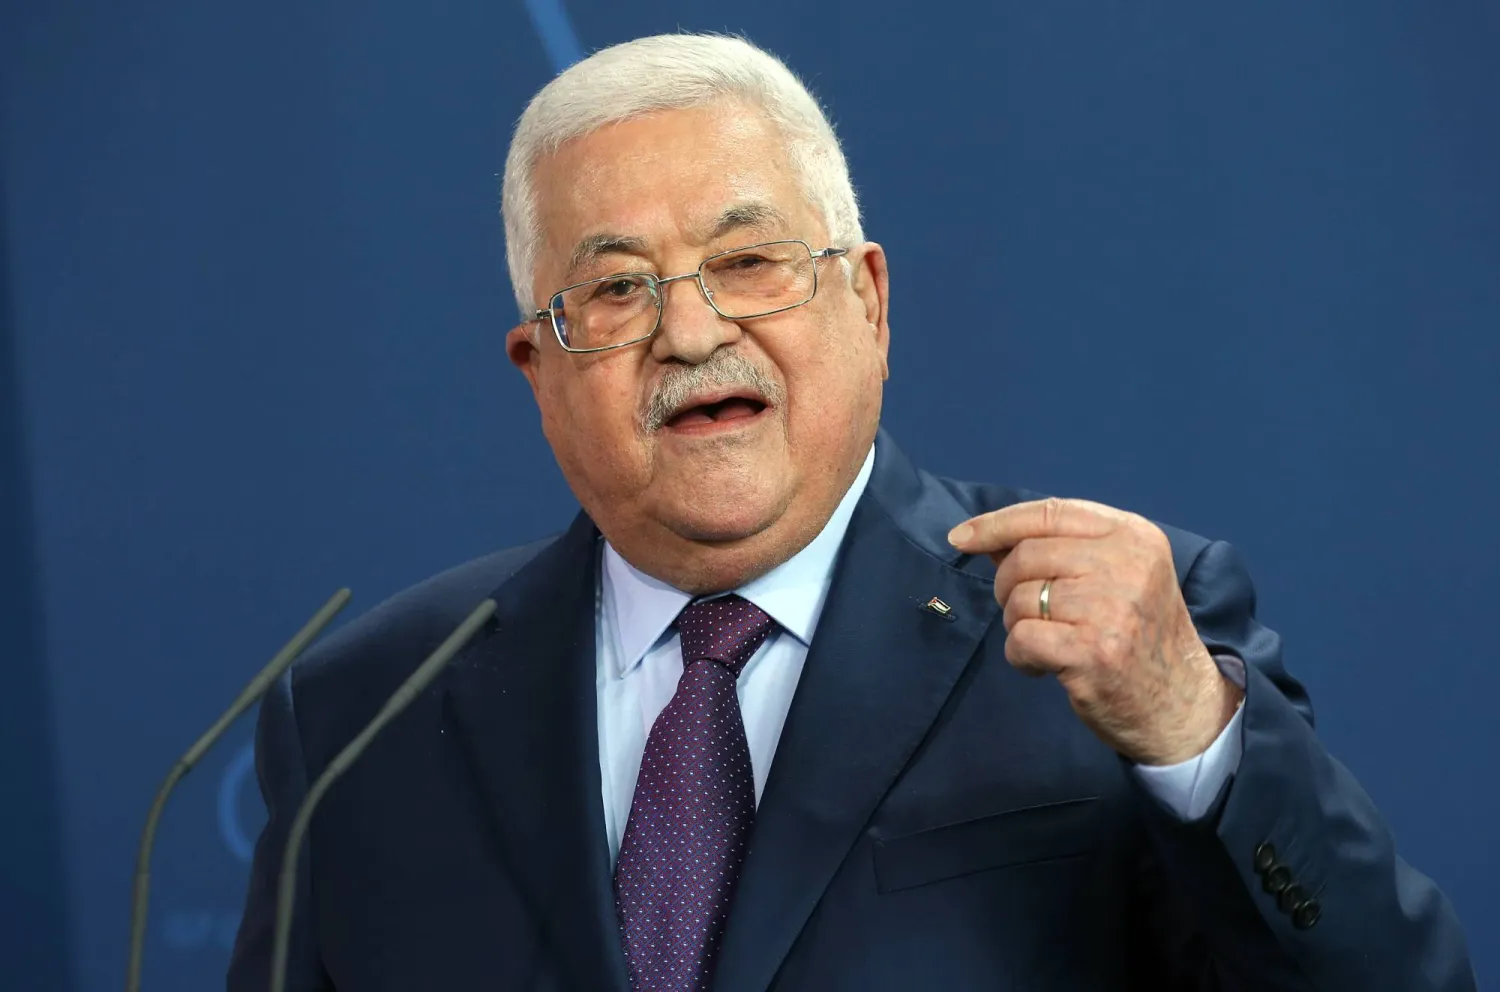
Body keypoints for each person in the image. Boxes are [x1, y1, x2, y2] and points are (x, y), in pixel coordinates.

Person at [228, 33, 1476, 992]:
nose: (692, 329)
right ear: (538, 368)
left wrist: (1187, 730)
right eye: (614, 289)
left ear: (868, 301)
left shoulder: (1108, 638)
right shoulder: (362, 713)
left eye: (748, 261)